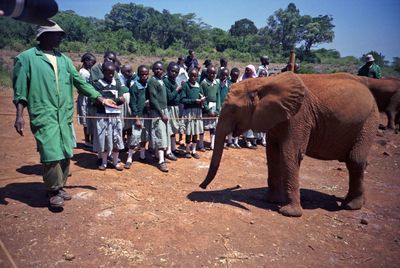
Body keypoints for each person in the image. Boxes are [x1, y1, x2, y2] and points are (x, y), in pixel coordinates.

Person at [13, 22, 117, 208]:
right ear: (44, 36)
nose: (60, 38)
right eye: (57, 35)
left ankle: (60, 186)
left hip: (64, 114)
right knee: (51, 153)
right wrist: (19, 115)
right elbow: (20, 90)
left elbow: (80, 83)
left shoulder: (64, 59)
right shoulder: (26, 58)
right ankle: (53, 191)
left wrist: (100, 98)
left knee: (66, 151)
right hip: (44, 114)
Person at [92, 62, 128, 171]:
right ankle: (104, 162)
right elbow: (94, 100)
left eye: (112, 73)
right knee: (104, 138)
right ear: (103, 72)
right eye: (108, 73)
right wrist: (106, 100)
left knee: (116, 137)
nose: (110, 75)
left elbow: (122, 99)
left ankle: (116, 161)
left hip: (115, 115)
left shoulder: (117, 83)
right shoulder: (97, 84)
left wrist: (112, 100)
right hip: (102, 115)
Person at [148, 61, 172, 172]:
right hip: (158, 112)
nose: (158, 70)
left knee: (164, 134)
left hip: (164, 110)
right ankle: (161, 162)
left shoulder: (161, 80)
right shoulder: (152, 81)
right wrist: (161, 114)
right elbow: (153, 99)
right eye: (156, 69)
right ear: (153, 70)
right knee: (160, 135)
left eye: (160, 69)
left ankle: (159, 156)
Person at [125, 65, 150, 169]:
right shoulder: (135, 86)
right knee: (135, 136)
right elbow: (132, 103)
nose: (144, 76)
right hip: (138, 115)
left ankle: (142, 155)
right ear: (138, 75)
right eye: (142, 74)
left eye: (146, 74)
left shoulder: (148, 85)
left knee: (145, 136)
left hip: (147, 115)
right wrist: (136, 118)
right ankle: (129, 158)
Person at [181, 67, 206, 159]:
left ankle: (194, 150)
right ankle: (187, 150)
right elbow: (183, 99)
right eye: (191, 75)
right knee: (189, 131)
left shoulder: (198, 85)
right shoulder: (186, 85)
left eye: (195, 76)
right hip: (189, 111)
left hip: (197, 111)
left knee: (196, 131)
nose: (193, 77)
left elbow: (202, 95)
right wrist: (194, 100)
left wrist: (202, 100)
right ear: (188, 75)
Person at [164, 62, 185, 159]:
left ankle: (173, 148)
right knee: (169, 129)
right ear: (168, 71)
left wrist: (180, 89)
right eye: (172, 71)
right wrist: (178, 89)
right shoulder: (166, 81)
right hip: (169, 108)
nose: (174, 73)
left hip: (175, 107)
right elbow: (169, 97)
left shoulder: (175, 80)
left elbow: (177, 97)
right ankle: (168, 151)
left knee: (173, 129)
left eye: (176, 72)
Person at [77, 52, 96, 148]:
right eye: (92, 62)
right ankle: (87, 141)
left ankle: (91, 140)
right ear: (86, 61)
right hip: (85, 98)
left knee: (89, 119)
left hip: (87, 97)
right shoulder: (83, 73)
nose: (93, 64)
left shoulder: (87, 71)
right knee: (86, 120)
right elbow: (82, 87)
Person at [200, 65, 221, 150]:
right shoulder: (203, 83)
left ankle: (212, 143)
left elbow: (218, 96)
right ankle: (201, 144)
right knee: (203, 127)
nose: (212, 75)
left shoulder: (216, 83)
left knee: (213, 127)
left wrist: (217, 109)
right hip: (206, 109)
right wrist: (207, 109)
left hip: (214, 107)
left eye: (214, 73)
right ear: (207, 73)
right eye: (210, 73)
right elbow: (202, 96)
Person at [118, 64, 137, 147]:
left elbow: (125, 88)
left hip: (130, 100)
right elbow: (122, 88)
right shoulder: (120, 77)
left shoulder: (133, 77)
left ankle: (129, 143)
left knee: (129, 122)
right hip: (123, 101)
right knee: (122, 123)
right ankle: (121, 143)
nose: (130, 73)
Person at [240, 64, 258, 149]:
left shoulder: (256, 80)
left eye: (249, 70)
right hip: (246, 104)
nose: (247, 72)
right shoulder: (242, 78)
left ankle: (253, 140)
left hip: (254, 104)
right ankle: (247, 140)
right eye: (246, 70)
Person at [227, 67, 241, 148]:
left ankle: (236, 141)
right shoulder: (228, 83)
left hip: (238, 106)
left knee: (237, 124)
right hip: (230, 106)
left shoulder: (239, 83)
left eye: (236, 76)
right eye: (233, 76)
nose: (235, 77)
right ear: (231, 75)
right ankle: (229, 141)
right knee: (230, 125)